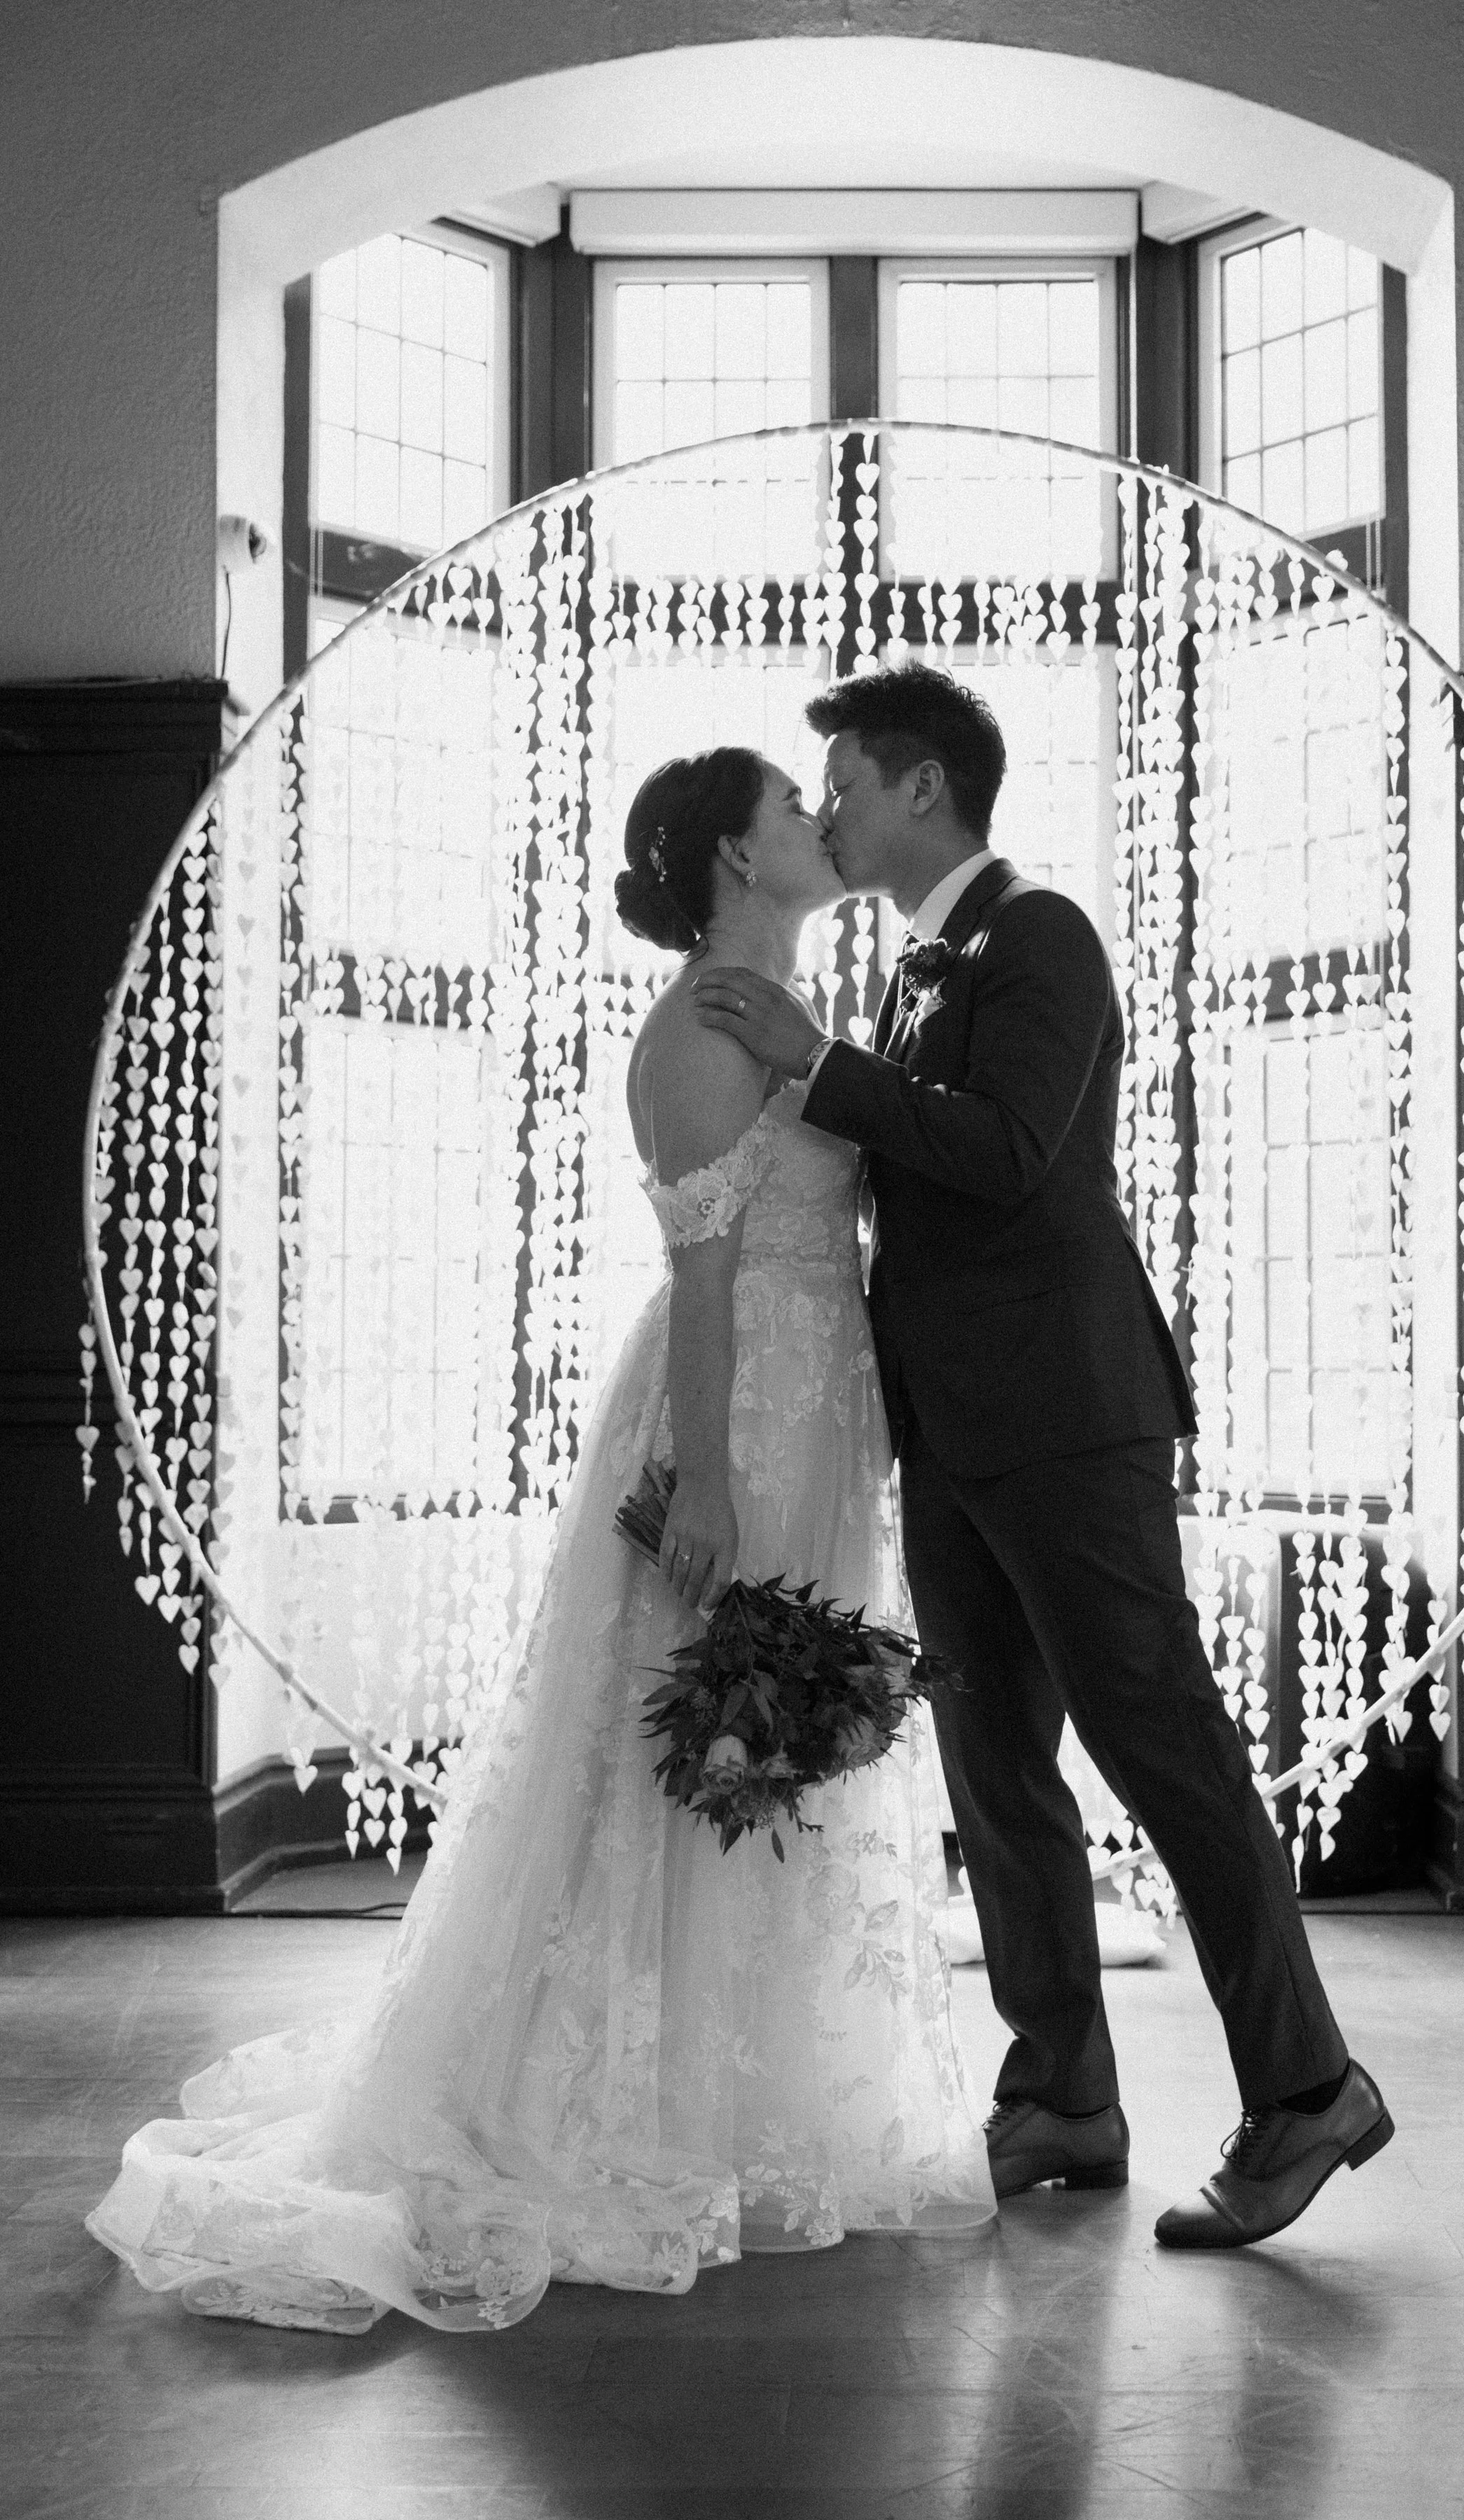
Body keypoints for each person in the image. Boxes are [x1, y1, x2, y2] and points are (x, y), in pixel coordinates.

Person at [87, 745, 994, 2335]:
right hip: (736, 1414)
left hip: (821, 1411)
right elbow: (709, 1279)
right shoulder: (700, 1030)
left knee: (785, 1732)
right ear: (731, 852)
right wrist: (702, 1480)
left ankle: (762, 2082)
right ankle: (640, 2101)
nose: (818, 819)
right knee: (695, 1723)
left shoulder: (792, 1017)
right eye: (793, 805)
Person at [693, 662, 1394, 2249]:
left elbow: (1010, 1156)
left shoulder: (1043, 933)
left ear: (921, 787)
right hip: (951, 1432)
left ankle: (1309, 2093)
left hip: (1072, 1421)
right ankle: (1065, 2094)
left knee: (1164, 1749)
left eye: (849, 784)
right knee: (995, 1769)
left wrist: (817, 1066)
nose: (834, 809)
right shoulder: (912, 970)